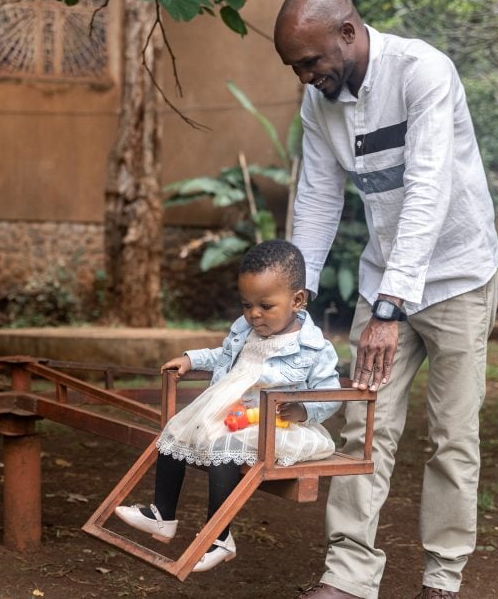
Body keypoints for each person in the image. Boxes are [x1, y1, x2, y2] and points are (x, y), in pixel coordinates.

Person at [273, 0, 498, 599]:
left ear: (347, 33)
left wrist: (388, 309)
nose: (304, 76)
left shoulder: (424, 71)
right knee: (363, 427)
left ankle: (443, 577)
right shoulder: (319, 102)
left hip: (458, 277)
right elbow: (319, 198)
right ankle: (348, 577)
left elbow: (429, 191)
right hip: (385, 280)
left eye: (310, 62)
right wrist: (298, 298)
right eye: (295, 67)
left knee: (453, 434)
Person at [114, 239, 342, 572]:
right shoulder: (244, 329)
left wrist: (304, 408)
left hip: (279, 425)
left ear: (297, 300)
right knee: (176, 429)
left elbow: (330, 391)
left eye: (265, 305)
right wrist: (192, 359)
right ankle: (162, 514)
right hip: (235, 413)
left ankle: (219, 538)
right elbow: (224, 356)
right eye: (246, 305)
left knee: (225, 448)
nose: (254, 314)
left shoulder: (312, 347)